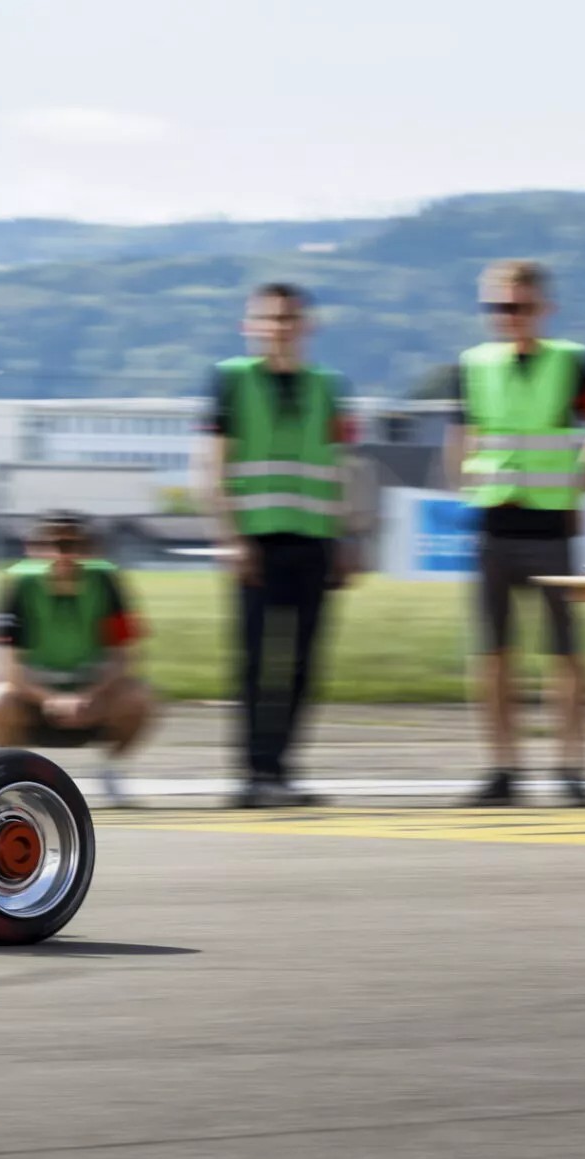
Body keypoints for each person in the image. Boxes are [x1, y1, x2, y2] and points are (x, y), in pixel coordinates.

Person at [444, 260, 585, 807]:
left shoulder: (572, 363)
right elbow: (462, 437)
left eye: (519, 307)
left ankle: (571, 769)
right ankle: (503, 769)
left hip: (552, 528)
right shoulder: (473, 364)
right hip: (493, 524)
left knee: (566, 655)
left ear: (544, 309)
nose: (508, 317)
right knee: (494, 654)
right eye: (497, 308)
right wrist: (464, 490)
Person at [199, 283, 356, 808]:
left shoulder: (329, 386)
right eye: (268, 319)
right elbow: (214, 465)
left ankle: (282, 770)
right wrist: (231, 536)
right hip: (257, 543)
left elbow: (344, 466)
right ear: (251, 325)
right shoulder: (231, 381)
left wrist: (348, 537)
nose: (279, 328)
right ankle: (251, 774)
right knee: (254, 662)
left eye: (289, 319)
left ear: (306, 326)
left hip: (314, 540)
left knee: (303, 664)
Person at [0, 512, 155, 805]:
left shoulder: (107, 581)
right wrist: (49, 698)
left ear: (89, 549)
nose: (61, 555)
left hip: (93, 694)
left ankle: (110, 771)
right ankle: (8, 779)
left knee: (139, 697)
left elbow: (125, 654)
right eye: (51, 545)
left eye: (72, 545)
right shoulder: (18, 583)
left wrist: (89, 694)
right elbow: (3, 662)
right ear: (33, 548)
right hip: (31, 695)